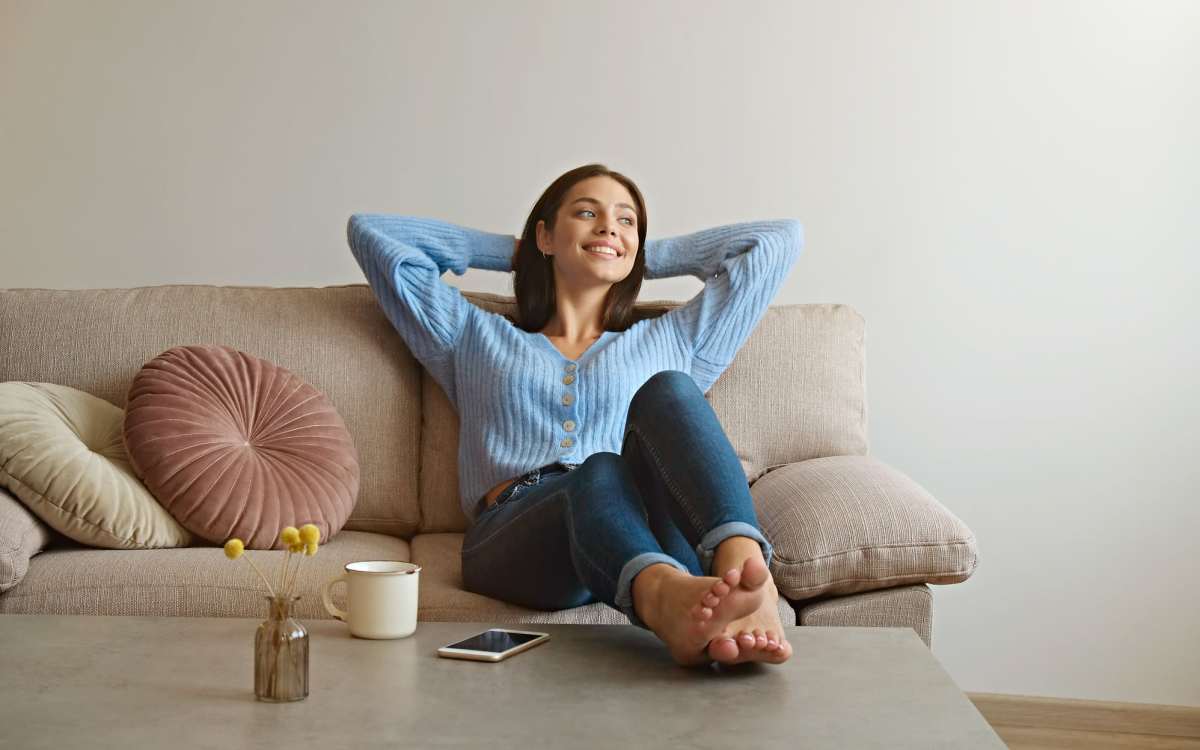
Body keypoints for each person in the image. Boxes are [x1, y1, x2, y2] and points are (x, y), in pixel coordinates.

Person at [347, 163, 804, 667]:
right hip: (520, 539)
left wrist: (639, 256)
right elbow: (374, 234)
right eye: (587, 213)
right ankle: (664, 597)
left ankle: (743, 572)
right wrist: (522, 252)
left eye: (626, 220)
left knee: (671, 389)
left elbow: (777, 242)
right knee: (599, 468)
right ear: (545, 234)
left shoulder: (676, 338)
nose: (609, 227)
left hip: (645, 528)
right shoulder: (470, 335)